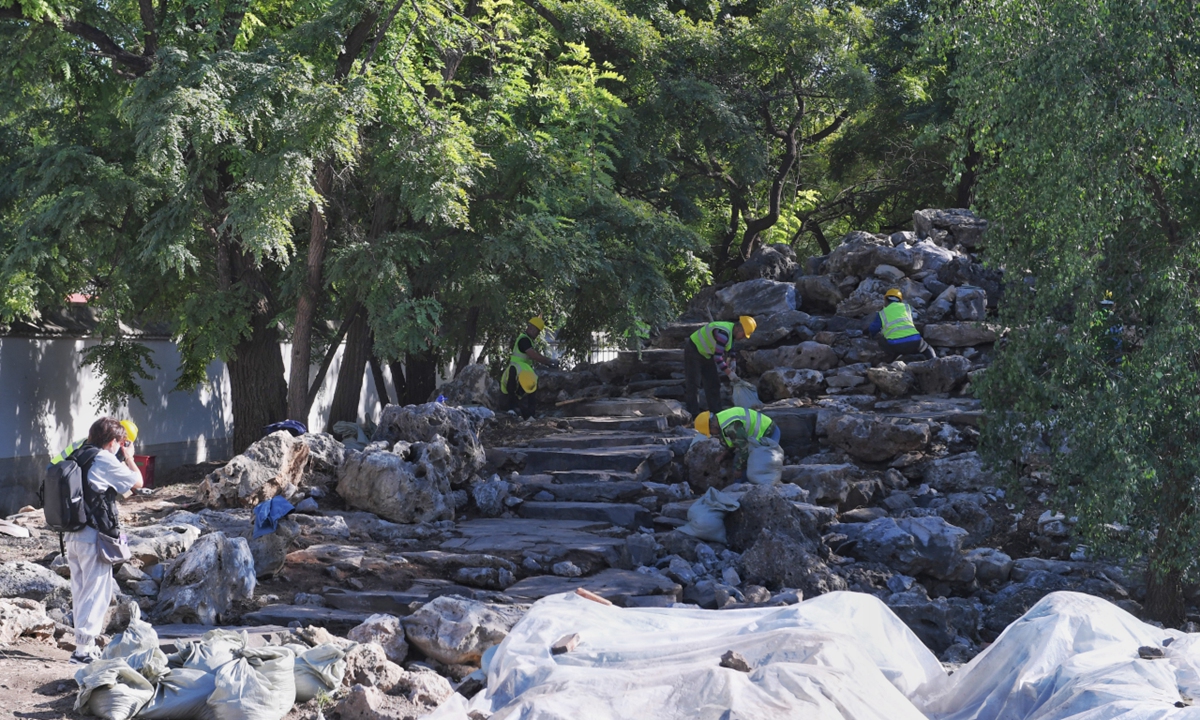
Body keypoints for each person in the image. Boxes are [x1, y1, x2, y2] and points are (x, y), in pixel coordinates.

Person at [62, 417, 143, 664]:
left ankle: (81, 644)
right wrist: (129, 457)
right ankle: (83, 651)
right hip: (92, 538)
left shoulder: (77, 454)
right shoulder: (103, 458)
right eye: (121, 443)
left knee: (80, 591)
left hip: (72, 535)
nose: (121, 446)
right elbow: (137, 483)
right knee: (96, 593)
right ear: (113, 442)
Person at [683, 316, 756, 417]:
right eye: (744, 334)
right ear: (739, 328)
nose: (743, 337)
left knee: (713, 383)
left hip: (706, 353)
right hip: (693, 349)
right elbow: (718, 357)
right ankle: (693, 415)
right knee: (693, 383)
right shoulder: (723, 334)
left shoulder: (731, 330)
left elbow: (731, 345)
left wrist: (733, 359)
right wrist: (729, 373)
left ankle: (717, 414)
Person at [500, 316, 558, 419]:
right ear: (532, 328)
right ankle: (518, 410)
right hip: (519, 370)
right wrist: (549, 361)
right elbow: (533, 355)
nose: (537, 334)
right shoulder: (524, 340)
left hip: (522, 370)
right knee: (520, 388)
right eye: (537, 332)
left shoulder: (526, 339)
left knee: (523, 390)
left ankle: (523, 412)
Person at [694, 407, 780, 474]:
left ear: (712, 426)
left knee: (762, 466)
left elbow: (745, 448)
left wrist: (738, 469)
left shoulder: (730, 427)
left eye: (710, 432)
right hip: (760, 434)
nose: (712, 435)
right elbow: (734, 441)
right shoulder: (721, 420)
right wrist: (724, 454)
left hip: (768, 432)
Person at [868, 289, 937, 361]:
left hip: (895, 345)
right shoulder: (907, 307)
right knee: (927, 348)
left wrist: (871, 335)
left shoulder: (882, 313)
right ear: (900, 300)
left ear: (886, 300)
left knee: (882, 341)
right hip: (914, 342)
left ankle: (892, 359)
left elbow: (873, 329)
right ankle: (935, 363)